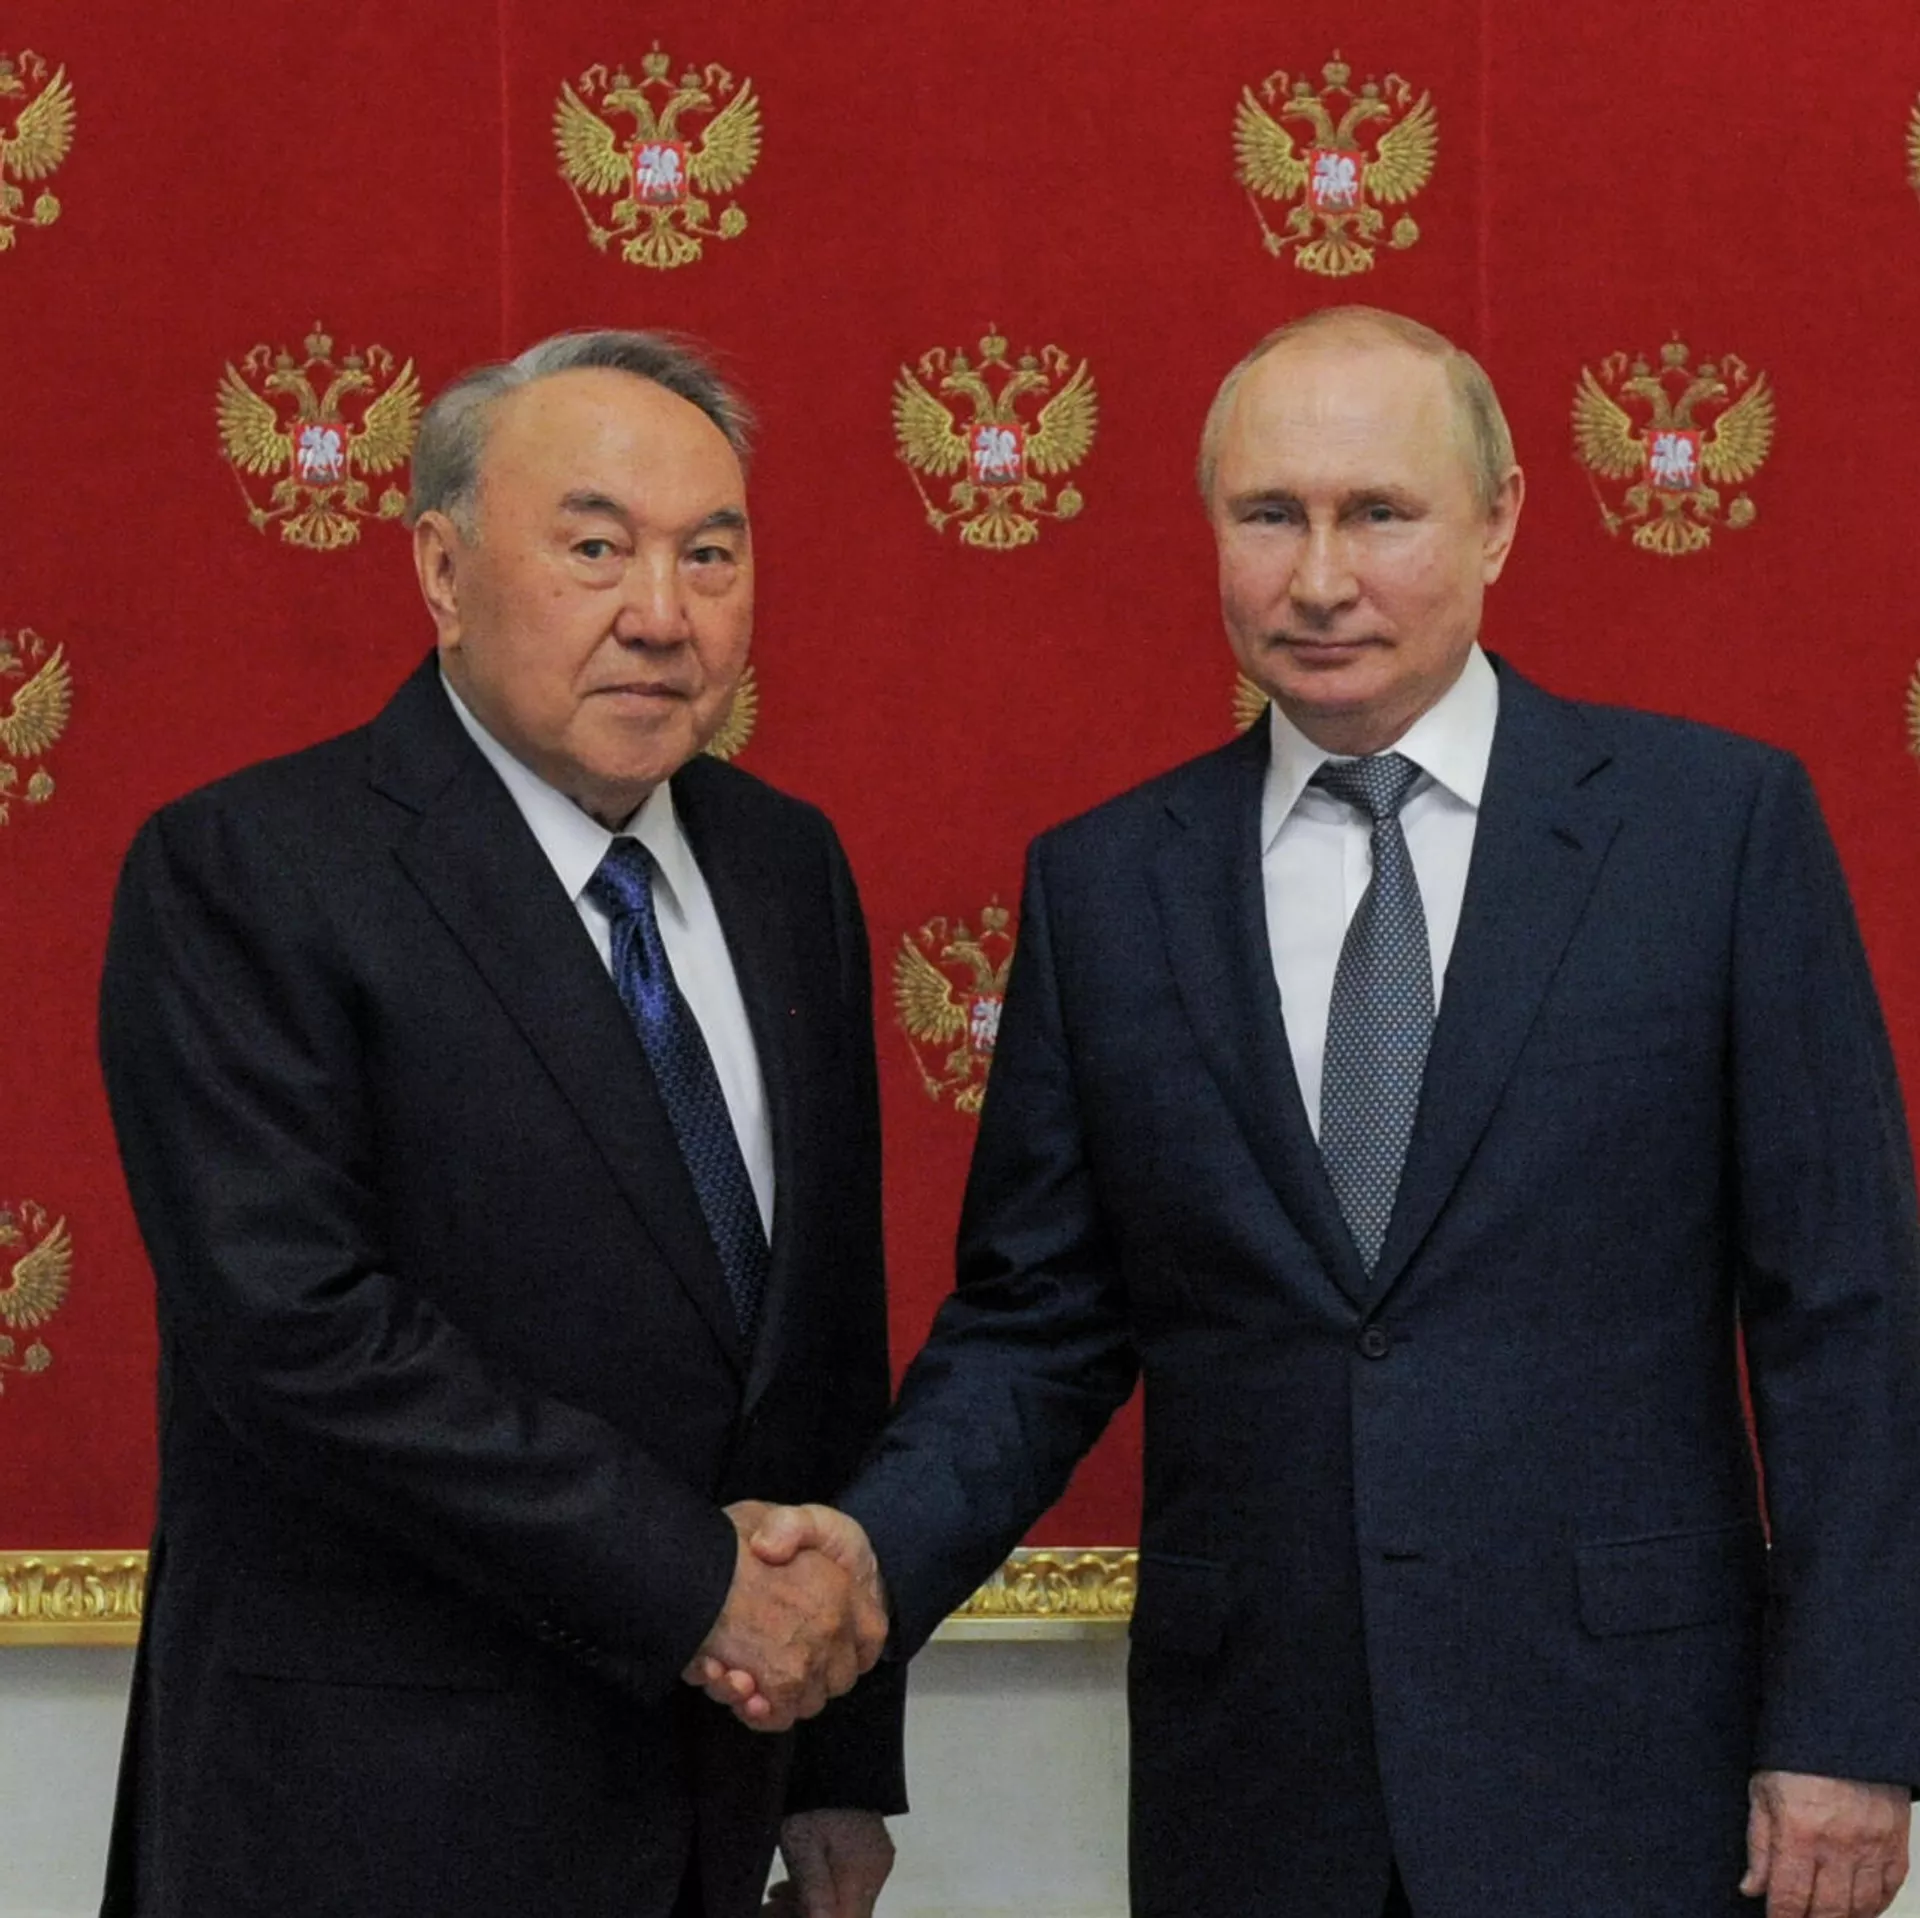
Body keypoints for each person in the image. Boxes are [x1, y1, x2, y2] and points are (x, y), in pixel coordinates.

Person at [710, 307, 1920, 1917]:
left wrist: (1848, 1727)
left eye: (1380, 513)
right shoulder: (1108, 885)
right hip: (1259, 1788)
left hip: (1630, 1768)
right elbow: (1036, 1328)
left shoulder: (1714, 833)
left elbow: (1847, 1309)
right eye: (1271, 514)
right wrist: (863, 1562)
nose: (1322, 576)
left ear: (1499, 520)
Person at [97, 329, 901, 1918]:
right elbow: (300, 1337)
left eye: (710, 555)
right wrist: (699, 1585)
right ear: (443, 571)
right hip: (366, 1821)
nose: (660, 614)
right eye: (596, 548)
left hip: (712, 1807)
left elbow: (821, 1342)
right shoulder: (249, 871)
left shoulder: (786, 867)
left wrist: (836, 1754)